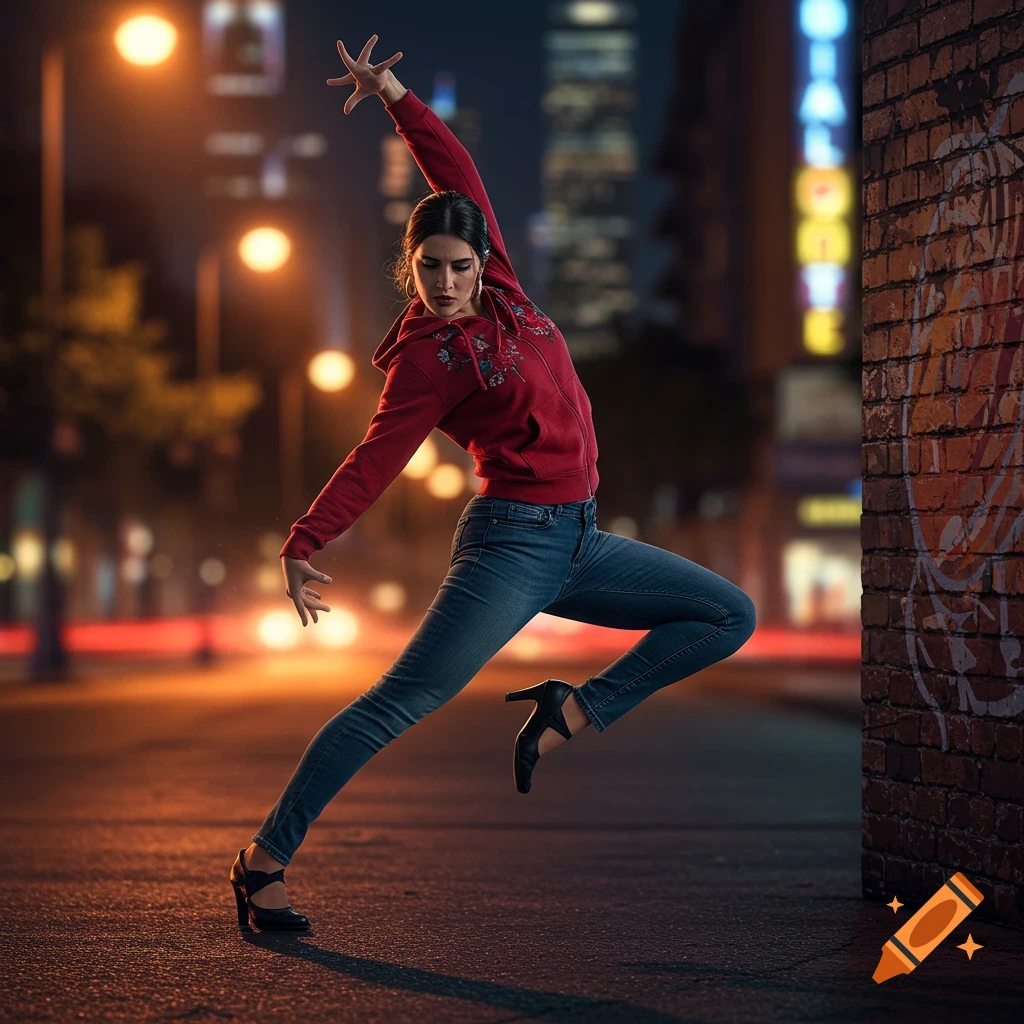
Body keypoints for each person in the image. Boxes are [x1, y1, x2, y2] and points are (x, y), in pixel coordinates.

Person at [229, 34, 757, 932]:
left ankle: (572, 710)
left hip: (583, 540)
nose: (445, 282)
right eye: (428, 267)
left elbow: (454, 166)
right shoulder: (427, 362)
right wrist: (304, 540)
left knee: (726, 616)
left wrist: (395, 93)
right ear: (412, 266)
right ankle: (264, 859)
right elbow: (375, 457)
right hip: (512, 545)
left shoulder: (507, 290)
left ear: (484, 261)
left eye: (459, 265)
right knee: (398, 702)